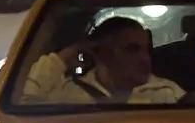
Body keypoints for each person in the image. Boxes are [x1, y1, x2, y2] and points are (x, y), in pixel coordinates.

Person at [22, 17, 184, 104]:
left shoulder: (166, 93)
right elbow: (26, 104)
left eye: (146, 49)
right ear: (103, 54)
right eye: (131, 50)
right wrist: (63, 57)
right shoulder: (70, 94)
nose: (144, 58)